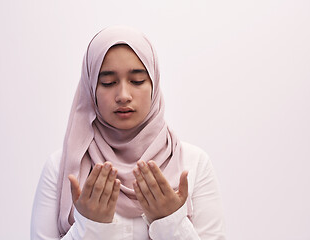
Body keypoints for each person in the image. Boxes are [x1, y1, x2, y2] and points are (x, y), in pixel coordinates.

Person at [31, 26, 226, 240]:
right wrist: (90, 227)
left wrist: (170, 223)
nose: (123, 95)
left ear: (154, 84)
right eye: (108, 82)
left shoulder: (193, 163)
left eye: (137, 81)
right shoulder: (62, 168)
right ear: (90, 89)